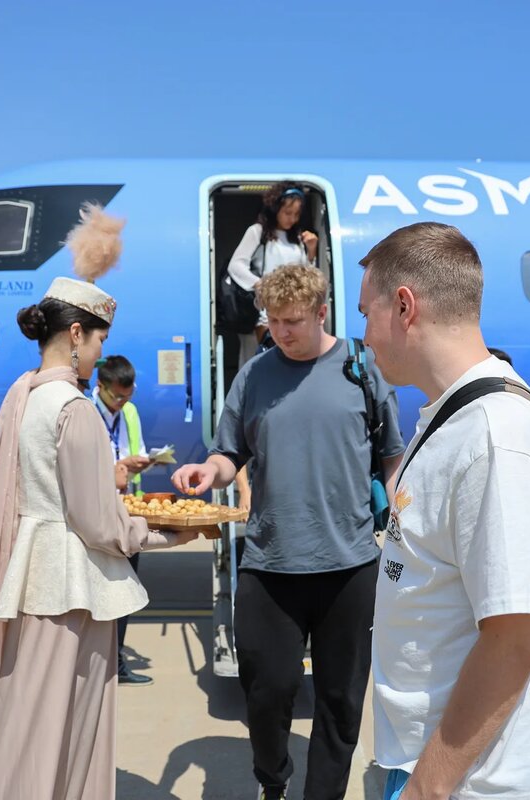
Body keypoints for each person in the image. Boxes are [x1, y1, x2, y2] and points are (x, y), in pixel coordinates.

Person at [0, 204, 196, 800]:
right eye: (98, 340)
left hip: (30, 576)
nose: (98, 354)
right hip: (71, 588)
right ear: (74, 335)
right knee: (71, 734)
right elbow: (98, 522)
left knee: (26, 730)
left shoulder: (24, 397)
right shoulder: (76, 409)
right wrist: (163, 535)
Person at [173, 264, 404, 800]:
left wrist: (403, 521)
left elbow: (391, 457)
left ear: (322, 312)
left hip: (348, 566)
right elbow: (230, 453)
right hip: (271, 563)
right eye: (273, 321)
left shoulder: (360, 367)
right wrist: (210, 472)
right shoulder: (255, 374)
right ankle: (272, 779)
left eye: (293, 321)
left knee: (340, 702)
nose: (281, 332)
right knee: (267, 689)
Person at [358, 222, 530, 800]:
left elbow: (516, 638)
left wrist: (425, 788)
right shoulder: (454, 417)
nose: (365, 337)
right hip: (433, 765)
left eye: (366, 315)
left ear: (404, 306)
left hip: (469, 783)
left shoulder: (494, 436)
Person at [92, 354, 155, 686]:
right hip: (96, 515)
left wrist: (138, 463)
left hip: (127, 512)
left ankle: (115, 663)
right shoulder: (84, 412)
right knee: (97, 593)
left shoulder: (128, 411)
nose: (121, 403)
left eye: (127, 396)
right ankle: (96, 662)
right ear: (99, 386)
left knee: (126, 591)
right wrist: (113, 470)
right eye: (116, 396)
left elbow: (137, 448)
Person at [226, 181, 319, 366]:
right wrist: (261, 284)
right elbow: (235, 265)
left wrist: (311, 251)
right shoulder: (258, 232)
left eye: (296, 214)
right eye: (287, 213)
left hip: (294, 312)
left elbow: (308, 276)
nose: (292, 219)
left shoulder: (298, 238)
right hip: (264, 313)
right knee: (260, 365)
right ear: (275, 208)